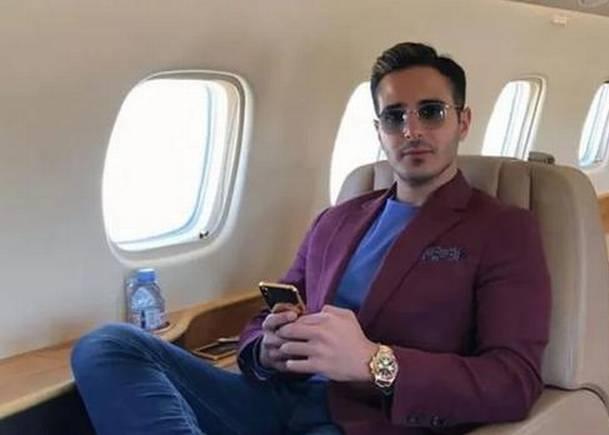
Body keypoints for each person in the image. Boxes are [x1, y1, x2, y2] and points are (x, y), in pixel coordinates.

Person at [71, 42, 551, 435]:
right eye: (394, 117)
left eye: (431, 112)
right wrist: (266, 349)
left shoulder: (502, 229)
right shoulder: (337, 220)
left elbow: (513, 380)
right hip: (278, 400)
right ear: (379, 131)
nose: (411, 130)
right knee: (109, 347)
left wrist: (375, 362)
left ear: (462, 122)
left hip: (368, 421)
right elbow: (270, 314)